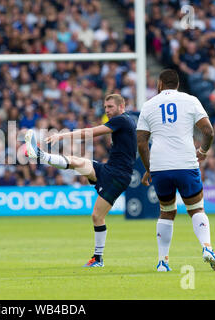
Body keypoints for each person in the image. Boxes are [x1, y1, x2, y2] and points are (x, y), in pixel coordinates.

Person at [24, 93, 136, 267]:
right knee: (76, 161)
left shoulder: (122, 120)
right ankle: (40, 155)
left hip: (118, 176)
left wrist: (61, 136)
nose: (107, 110)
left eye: (110, 107)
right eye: (105, 107)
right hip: (108, 169)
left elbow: (89, 133)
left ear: (122, 107)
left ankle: (98, 259)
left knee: (97, 216)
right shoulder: (125, 121)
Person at [136, 69, 215, 272]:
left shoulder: (149, 105)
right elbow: (208, 131)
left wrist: (149, 169)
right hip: (185, 162)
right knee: (196, 208)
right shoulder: (190, 100)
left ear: (159, 84)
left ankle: (163, 262)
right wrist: (203, 150)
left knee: (166, 211)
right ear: (177, 84)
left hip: (160, 166)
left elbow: (141, 142)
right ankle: (207, 248)